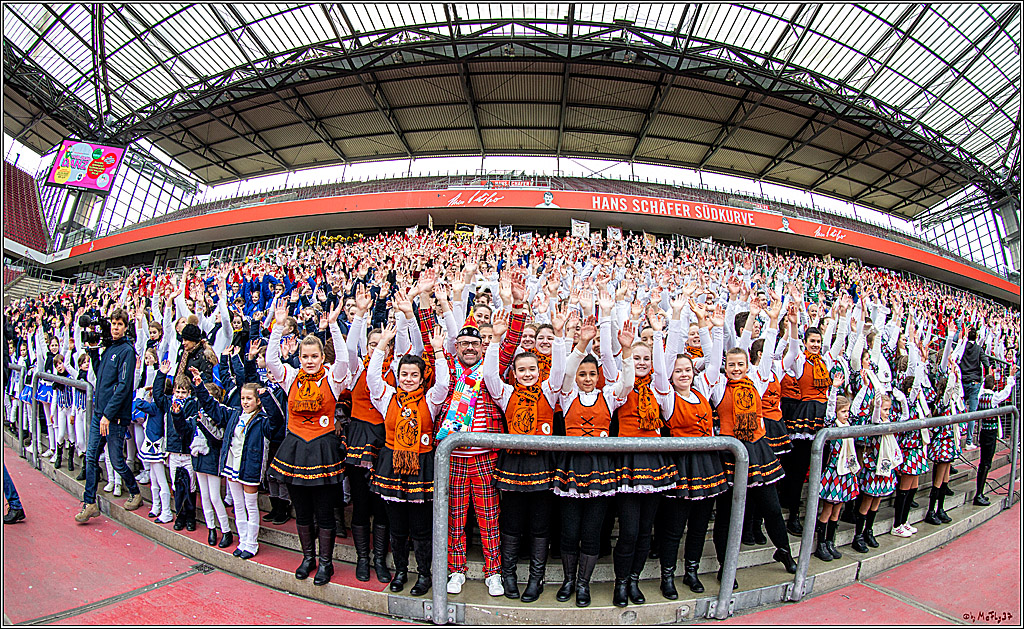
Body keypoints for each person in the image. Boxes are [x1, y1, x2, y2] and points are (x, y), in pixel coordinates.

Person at [428, 270, 527, 598]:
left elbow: (510, 341)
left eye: (476, 343)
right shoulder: (448, 370)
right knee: (455, 517)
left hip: (485, 456)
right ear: (456, 346)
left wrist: (517, 304)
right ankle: (456, 569)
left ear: (483, 345)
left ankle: (493, 571)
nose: (470, 347)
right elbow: (433, 336)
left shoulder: (491, 368)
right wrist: (437, 300)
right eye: (464, 343)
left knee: (488, 517)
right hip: (453, 457)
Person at [484, 304, 568, 602]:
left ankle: (536, 578)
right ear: (515, 373)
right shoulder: (506, 393)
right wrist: (495, 340)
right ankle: (508, 576)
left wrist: (558, 336)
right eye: (522, 370)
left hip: (542, 464)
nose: (528, 373)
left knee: (540, 523)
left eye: (532, 369)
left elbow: (558, 371)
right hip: (513, 464)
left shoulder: (549, 391)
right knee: (512, 522)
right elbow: (490, 376)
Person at [267, 296, 349, 586]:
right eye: (305, 356)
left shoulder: (334, 376)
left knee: (324, 511)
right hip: (296, 449)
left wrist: (334, 326)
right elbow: (271, 361)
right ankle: (308, 557)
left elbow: (345, 359)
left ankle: (326, 563)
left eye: (314, 356)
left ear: (321, 357)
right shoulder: (290, 377)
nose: (310, 361)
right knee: (301, 510)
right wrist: (278, 325)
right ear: (299, 357)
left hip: (324, 449)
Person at [366, 321, 449, 596]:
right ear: (398, 375)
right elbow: (372, 379)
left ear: (423, 377)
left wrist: (438, 352)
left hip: (421, 467)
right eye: (404, 374)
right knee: (397, 526)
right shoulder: (386, 396)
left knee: (421, 528)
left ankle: (424, 574)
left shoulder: (431, 400)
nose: (409, 378)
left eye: (414, 374)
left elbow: (445, 383)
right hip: (391, 467)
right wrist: (381, 346)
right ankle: (401, 571)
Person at [75, 308, 144, 523]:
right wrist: (94, 351)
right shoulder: (109, 348)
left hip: (113, 417)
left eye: (119, 324)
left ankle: (134, 491)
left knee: (116, 460)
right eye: (113, 323)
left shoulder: (126, 351)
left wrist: (108, 414)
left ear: (125, 327)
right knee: (91, 457)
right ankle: (89, 503)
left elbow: (124, 387)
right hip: (100, 414)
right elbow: (99, 373)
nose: (114, 327)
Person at [958, 327, 989, 450]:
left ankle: (958, 438)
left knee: (961, 410)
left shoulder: (963, 348)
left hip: (963, 381)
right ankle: (969, 441)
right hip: (974, 382)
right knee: (972, 413)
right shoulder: (979, 349)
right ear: (976, 337)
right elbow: (986, 363)